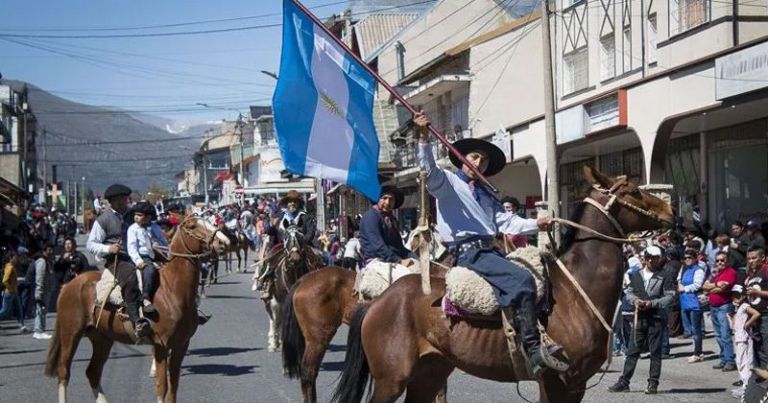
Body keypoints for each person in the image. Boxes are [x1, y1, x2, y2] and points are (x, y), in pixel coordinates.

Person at [413, 112, 566, 376]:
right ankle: (531, 349)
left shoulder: (485, 193)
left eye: (483, 160)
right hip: (468, 252)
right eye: (474, 156)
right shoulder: (447, 183)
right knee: (521, 280)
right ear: (462, 159)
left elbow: (507, 222)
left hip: (489, 249)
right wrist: (423, 137)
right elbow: (428, 170)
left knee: (539, 274)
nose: (479, 162)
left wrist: (536, 224)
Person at [609, 246, 675, 394]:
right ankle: (624, 381)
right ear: (645, 258)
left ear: (660, 259)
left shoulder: (665, 275)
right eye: (648, 257)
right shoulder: (636, 275)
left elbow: (670, 297)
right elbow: (629, 293)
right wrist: (636, 301)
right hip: (639, 317)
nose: (651, 260)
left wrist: (652, 303)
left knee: (655, 353)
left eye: (654, 257)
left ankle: (653, 383)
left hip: (656, 317)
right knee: (633, 350)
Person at [87, 184, 150, 339]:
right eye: (118, 199)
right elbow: (90, 244)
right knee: (130, 278)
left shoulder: (133, 215)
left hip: (139, 255)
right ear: (111, 202)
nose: (122, 202)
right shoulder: (103, 220)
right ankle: (137, 320)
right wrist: (109, 249)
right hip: (118, 259)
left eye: (124, 198)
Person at [360, 186, 413, 266]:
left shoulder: (392, 220)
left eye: (391, 199)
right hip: (377, 260)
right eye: (384, 198)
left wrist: (413, 256)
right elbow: (378, 246)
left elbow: (399, 246)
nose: (387, 202)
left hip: (394, 259)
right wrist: (398, 261)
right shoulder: (371, 217)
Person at [702, 250, 737, 371]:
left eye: (722, 260)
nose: (719, 262)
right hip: (713, 307)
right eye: (717, 260)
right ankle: (723, 358)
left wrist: (713, 287)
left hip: (724, 306)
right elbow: (704, 287)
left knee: (725, 335)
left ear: (727, 261)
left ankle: (730, 361)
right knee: (718, 335)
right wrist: (716, 285)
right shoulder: (714, 273)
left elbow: (723, 288)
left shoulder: (730, 272)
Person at [127, 201, 158, 314]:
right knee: (149, 270)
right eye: (136, 215)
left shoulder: (147, 229)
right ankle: (145, 297)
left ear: (148, 217)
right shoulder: (132, 229)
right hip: (141, 257)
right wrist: (138, 260)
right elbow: (132, 247)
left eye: (140, 215)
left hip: (151, 256)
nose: (136, 217)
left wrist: (155, 245)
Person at [729, 284, 760, 398]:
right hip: (739, 337)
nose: (735, 297)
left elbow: (756, 314)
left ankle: (747, 387)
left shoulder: (744, 306)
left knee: (743, 362)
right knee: (741, 361)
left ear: (743, 296)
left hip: (744, 338)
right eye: (733, 295)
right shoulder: (738, 307)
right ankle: (745, 385)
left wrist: (747, 323)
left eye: (737, 295)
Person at [678, 249, 706, 363]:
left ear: (695, 259)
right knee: (690, 330)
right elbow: (679, 278)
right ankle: (698, 352)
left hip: (694, 303)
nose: (687, 260)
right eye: (685, 258)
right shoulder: (685, 269)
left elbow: (697, 285)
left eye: (689, 257)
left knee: (696, 330)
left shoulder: (698, 270)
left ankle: (698, 353)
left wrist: (684, 288)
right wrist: (680, 283)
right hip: (685, 302)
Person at [745, 246, 768, 368]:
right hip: (755, 317)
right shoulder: (753, 274)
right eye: (749, 258)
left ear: (763, 257)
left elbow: (757, 293)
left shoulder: (766, 270)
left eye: (754, 258)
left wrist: (758, 293)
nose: (751, 261)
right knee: (759, 350)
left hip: (765, 316)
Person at [0, 250, 27, 332]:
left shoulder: (10, 266)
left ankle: (22, 325)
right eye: (15, 257)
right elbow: (4, 280)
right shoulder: (10, 267)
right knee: (4, 310)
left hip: (14, 292)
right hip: (10, 292)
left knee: (19, 309)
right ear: (10, 258)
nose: (16, 259)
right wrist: (11, 288)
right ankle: (22, 325)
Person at [32, 245, 54, 340]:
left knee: (43, 311)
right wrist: (39, 293)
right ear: (44, 251)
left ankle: (41, 330)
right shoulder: (42, 262)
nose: (51, 251)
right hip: (42, 291)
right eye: (49, 249)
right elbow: (39, 278)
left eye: (52, 249)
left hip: (45, 290)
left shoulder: (47, 261)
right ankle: (38, 330)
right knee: (40, 310)